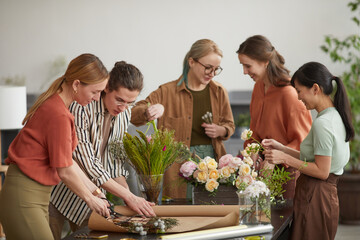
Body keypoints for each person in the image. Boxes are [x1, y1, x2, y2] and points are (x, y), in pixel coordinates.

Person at [0, 53, 111, 240]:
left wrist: (96, 192)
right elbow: (65, 171)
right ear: (76, 84)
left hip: (35, 197)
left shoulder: (58, 108)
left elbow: (68, 162)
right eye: (94, 92)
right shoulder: (58, 114)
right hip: (25, 197)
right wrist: (91, 200)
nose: (97, 98)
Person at [49, 61, 156, 239]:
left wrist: (133, 201)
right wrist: (129, 197)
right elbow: (86, 162)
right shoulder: (81, 107)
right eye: (119, 100)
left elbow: (113, 165)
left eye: (130, 102)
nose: (123, 108)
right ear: (106, 88)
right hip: (59, 193)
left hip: (93, 199)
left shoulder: (125, 114)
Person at [131, 39, 235, 199]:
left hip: (210, 162)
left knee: (208, 208)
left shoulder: (219, 92)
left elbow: (229, 125)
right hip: (175, 166)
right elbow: (134, 113)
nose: (212, 74)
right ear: (192, 62)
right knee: (178, 208)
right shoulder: (166, 91)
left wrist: (221, 130)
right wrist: (148, 112)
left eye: (216, 69)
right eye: (208, 68)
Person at [263, 62, 354, 240]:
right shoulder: (334, 115)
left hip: (315, 197)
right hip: (322, 195)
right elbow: (315, 159)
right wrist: (282, 148)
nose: (298, 97)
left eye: (299, 91)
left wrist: (285, 159)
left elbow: (321, 171)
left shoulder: (323, 123)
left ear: (315, 88)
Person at [236, 35, 312, 199]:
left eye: (248, 66)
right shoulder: (258, 87)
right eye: (242, 66)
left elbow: (304, 143)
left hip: (288, 175)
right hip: (262, 173)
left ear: (265, 62)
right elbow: (254, 131)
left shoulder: (290, 93)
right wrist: (253, 151)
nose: (244, 72)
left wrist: (275, 158)